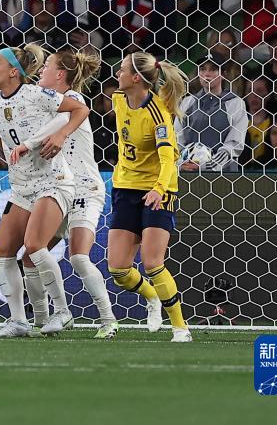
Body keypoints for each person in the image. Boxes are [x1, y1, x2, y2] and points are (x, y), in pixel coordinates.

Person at [0, 44, 90, 338]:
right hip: (21, 186)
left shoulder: (37, 94)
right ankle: (18, 320)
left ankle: (63, 312)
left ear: (13, 71)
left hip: (53, 180)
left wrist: (60, 135)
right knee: (2, 251)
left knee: (34, 245)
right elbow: (1, 138)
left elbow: (80, 109)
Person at [22, 49, 120, 339]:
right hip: (59, 189)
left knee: (78, 256)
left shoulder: (73, 101)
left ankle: (108, 320)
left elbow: (54, 126)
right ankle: (42, 320)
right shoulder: (48, 102)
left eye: (47, 66)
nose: (42, 71)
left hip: (84, 189)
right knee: (31, 255)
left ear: (60, 74)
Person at [109, 51, 192, 342]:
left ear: (136, 78)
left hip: (158, 190)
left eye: (122, 69)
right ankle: (152, 297)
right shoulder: (118, 99)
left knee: (153, 262)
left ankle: (181, 328)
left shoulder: (158, 114)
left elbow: (169, 159)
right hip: (125, 187)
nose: (117, 73)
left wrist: (158, 189)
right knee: (118, 268)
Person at [175, 53, 248, 172]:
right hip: (188, 173)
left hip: (224, 176)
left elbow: (234, 144)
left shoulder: (235, 104)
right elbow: (177, 140)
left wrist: (207, 166)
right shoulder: (187, 102)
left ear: (223, 74)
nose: (207, 74)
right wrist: (181, 163)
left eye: (213, 69)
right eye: (203, 69)